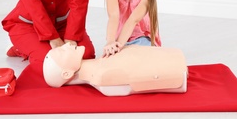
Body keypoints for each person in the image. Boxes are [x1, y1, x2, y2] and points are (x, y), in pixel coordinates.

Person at [43, 43, 188, 96]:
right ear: (66, 73)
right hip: (177, 71)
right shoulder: (102, 77)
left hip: (176, 62)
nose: (66, 45)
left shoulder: (101, 66)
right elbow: (141, 80)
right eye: (62, 52)